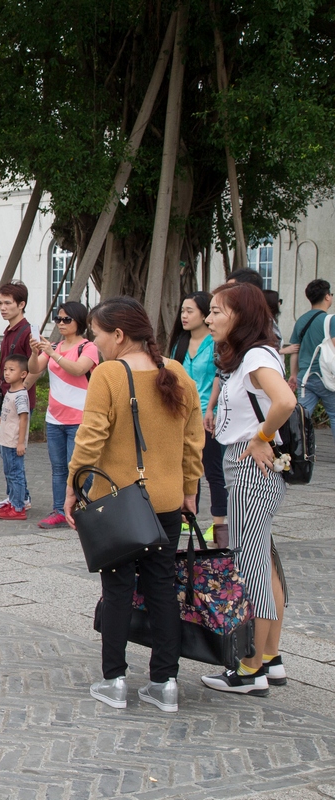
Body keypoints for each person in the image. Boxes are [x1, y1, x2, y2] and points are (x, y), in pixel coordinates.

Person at [67, 296, 203, 713]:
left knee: (118, 587)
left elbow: (91, 436)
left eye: (98, 333)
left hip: (121, 503)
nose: (96, 341)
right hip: (166, 501)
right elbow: (192, 439)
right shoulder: (177, 372)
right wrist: (189, 489)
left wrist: (75, 485)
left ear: (120, 335)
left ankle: (115, 681)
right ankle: (165, 684)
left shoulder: (108, 374)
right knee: (163, 587)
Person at [202, 282, 296, 696]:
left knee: (251, 565)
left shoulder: (257, 355)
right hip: (253, 463)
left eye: (218, 311)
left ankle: (250, 667)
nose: (209, 318)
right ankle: (270, 657)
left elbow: (285, 402)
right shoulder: (251, 356)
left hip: (249, 465)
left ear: (241, 316)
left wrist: (260, 436)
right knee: (265, 562)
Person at [27, 301, 99, 528]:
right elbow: (34, 369)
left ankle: (81, 508)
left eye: (66, 319)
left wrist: (52, 353)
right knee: (59, 468)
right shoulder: (55, 346)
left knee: (77, 467)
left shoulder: (88, 347)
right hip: (55, 418)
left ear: (79, 321)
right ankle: (59, 510)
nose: (61, 323)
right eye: (58, 319)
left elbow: (79, 369)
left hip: (80, 418)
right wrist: (34, 352)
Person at [169, 292, 227, 543]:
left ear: (205, 315)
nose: (184, 315)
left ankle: (219, 523)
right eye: (182, 310)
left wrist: (212, 409)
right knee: (186, 467)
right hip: (181, 415)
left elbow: (220, 377)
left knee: (213, 469)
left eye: (190, 310)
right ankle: (187, 516)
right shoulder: (179, 343)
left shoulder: (216, 344)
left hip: (208, 415)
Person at [0, 282, 36, 510]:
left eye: (7, 303)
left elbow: (35, 368)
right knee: (7, 455)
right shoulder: (9, 331)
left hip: (18, 404)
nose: (2, 308)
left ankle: (21, 500)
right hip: (7, 401)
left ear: (21, 304)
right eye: (0, 303)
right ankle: (16, 496)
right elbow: (14, 367)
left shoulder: (28, 332)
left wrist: (19, 392)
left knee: (14, 455)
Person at [289, 279, 334, 447]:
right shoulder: (331, 320)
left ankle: (298, 450)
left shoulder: (301, 320)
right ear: (327, 297)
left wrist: (293, 374)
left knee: (301, 416)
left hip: (305, 378)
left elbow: (294, 350)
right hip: (327, 378)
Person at [0, 355, 32, 520]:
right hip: (5, 439)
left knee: (16, 473)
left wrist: (21, 443)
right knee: (9, 472)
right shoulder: (10, 391)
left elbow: (23, 418)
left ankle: (18, 506)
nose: (6, 373)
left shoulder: (21, 394)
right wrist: (0, 420)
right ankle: (13, 501)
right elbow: (11, 412)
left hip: (13, 442)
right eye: (5, 369)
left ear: (23, 374)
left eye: (11, 370)